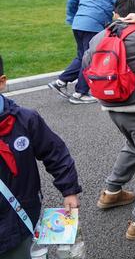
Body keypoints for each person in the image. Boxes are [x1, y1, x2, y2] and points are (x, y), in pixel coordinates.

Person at [81, 0, 135, 241]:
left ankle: (112, 192)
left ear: (116, 13)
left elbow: (86, 64)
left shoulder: (99, 37)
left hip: (111, 106)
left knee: (132, 146)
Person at [0, 55, 82, 258]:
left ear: (2, 82)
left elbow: (55, 153)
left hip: (20, 215)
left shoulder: (25, 120)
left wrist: (69, 190)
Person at [48, 0, 126, 104]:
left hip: (78, 23)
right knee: (91, 59)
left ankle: (60, 82)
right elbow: (123, 11)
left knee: (82, 56)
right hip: (94, 27)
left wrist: (72, 16)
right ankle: (80, 93)